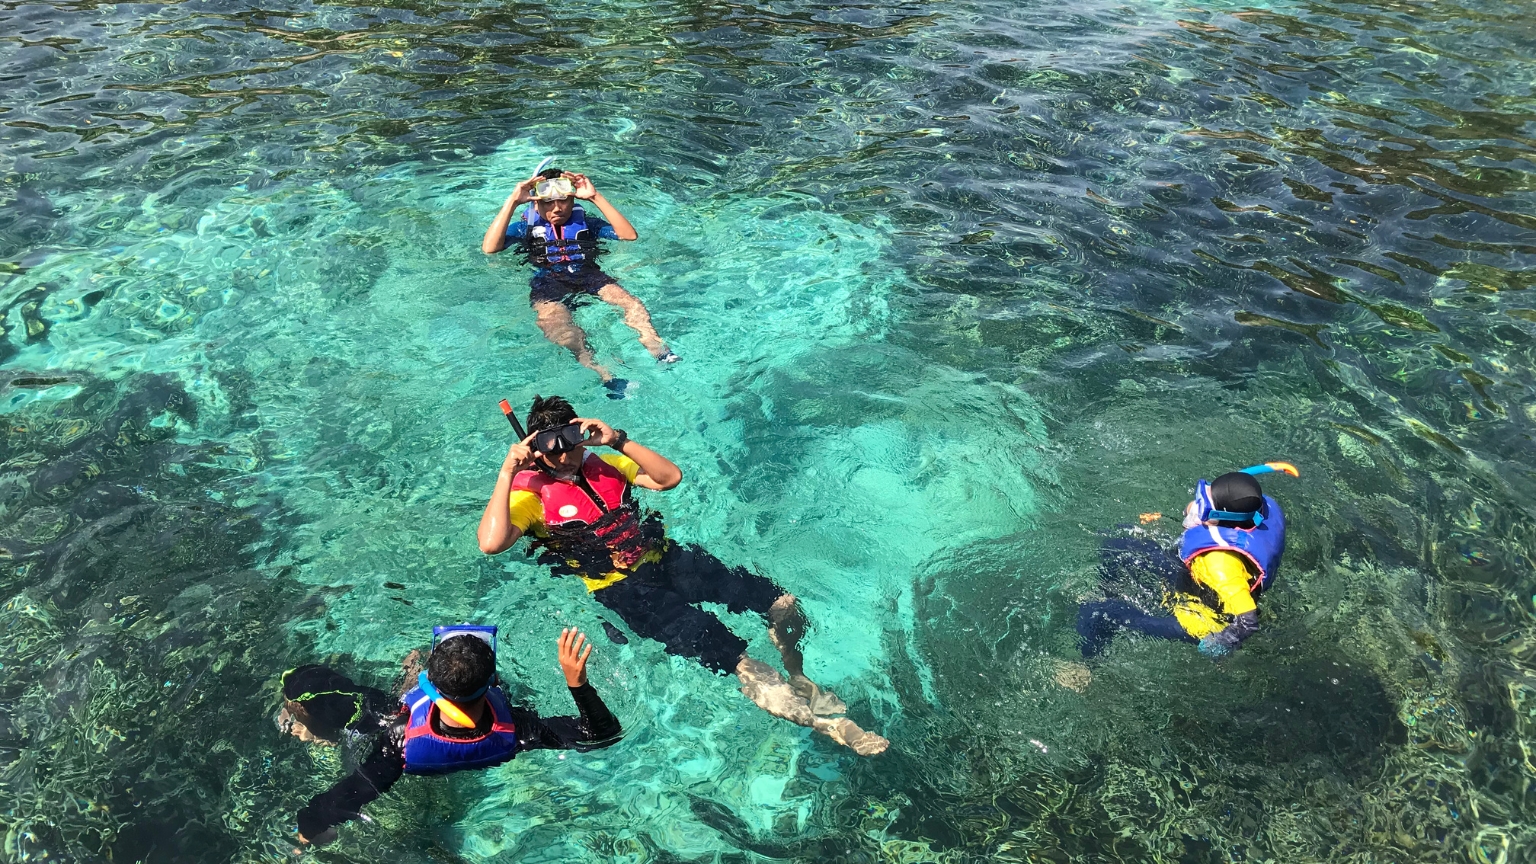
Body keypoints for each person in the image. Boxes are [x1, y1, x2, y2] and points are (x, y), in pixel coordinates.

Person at [477, 395, 889, 756]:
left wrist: (617, 439)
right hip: (624, 592)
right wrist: (507, 471)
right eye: (553, 448)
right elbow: (491, 543)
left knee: (783, 604)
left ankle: (798, 674)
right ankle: (831, 726)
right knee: (742, 664)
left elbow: (668, 478)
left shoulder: (605, 463)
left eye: (571, 440)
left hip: (669, 559)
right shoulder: (530, 496)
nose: (565, 454)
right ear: (536, 449)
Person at [281, 626, 621, 846]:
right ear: (493, 684)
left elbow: (339, 800)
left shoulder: (397, 741)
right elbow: (600, 735)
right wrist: (578, 683)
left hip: (415, 750)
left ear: (428, 685)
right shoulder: (519, 729)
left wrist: (307, 831)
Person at [481, 167, 678, 398]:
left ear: (572, 198)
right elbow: (490, 248)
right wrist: (513, 202)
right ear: (536, 204)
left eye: (564, 200)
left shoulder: (588, 223)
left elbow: (628, 235)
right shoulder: (525, 228)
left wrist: (595, 197)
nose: (557, 208)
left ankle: (660, 351)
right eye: (548, 203)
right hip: (548, 286)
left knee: (631, 304)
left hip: (589, 276)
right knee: (562, 332)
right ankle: (608, 376)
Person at [1075, 463, 1295, 659]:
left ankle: (1083, 666)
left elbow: (1249, 620)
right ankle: (1108, 588)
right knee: (1117, 542)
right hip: (1196, 577)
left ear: (1223, 519)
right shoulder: (1250, 515)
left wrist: (1223, 642)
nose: (1193, 507)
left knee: (1099, 612)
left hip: (1197, 621)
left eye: (1203, 505)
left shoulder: (1221, 565)